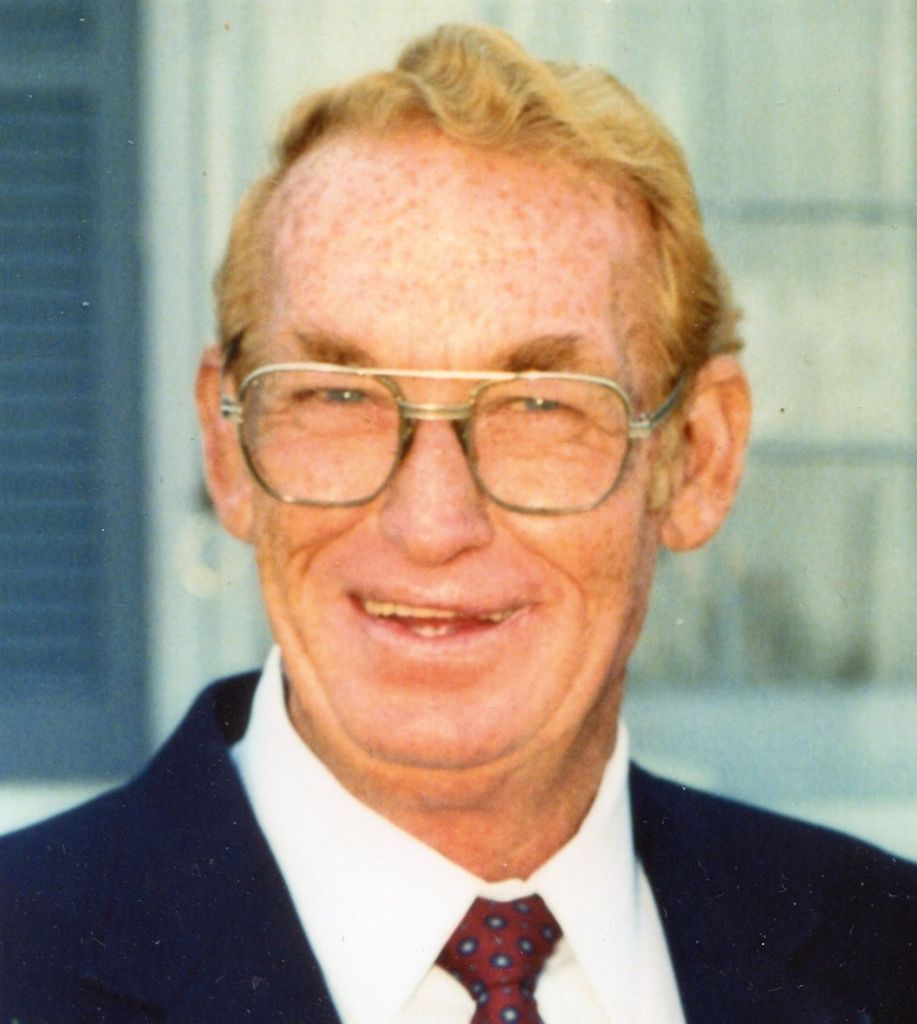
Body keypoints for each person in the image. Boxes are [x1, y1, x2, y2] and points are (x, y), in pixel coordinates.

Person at [1, 23, 915, 1024]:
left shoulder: (884, 955)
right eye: (337, 396)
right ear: (227, 447)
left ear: (697, 456)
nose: (431, 524)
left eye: (539, 405)